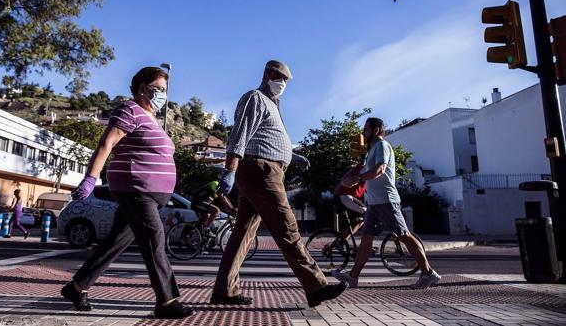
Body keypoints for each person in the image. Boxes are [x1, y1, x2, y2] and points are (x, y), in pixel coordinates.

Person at [211, 60, 347, 307]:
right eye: (278, 77)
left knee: (243, 232)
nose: (282, 83)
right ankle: (316, 286)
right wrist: (229, 170)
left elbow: (264, 137)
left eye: (285, 80)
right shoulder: (255, 98)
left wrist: (291, 155)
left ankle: (224, 290)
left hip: (265, 169)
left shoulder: (273, 104)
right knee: (287, 226)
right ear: (266, 74)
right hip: (261, 171)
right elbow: (240, 135)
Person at [60, 67, 193, 319]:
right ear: (142, 88)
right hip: (135, 189)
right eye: (158, 89)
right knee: (155, 240)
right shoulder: (129, 110)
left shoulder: (151, 117)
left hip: (149, 193)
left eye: (165, 90)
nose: (163, 95)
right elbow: (106, 143)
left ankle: (77, 287)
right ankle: (167, 301)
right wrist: (90, 178)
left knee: (116, 241)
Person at [333, 117, 441, 289]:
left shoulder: (382, 146)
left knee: (403, 235)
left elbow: (380, 169)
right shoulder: (371, 150)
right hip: (374, 203)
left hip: (386, 200)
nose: (363, 132)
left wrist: (357, 179)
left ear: (376, 130)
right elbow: (368, 169)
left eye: (366, 129)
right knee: (366, 240)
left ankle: (428, 273)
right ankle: (353, 276)